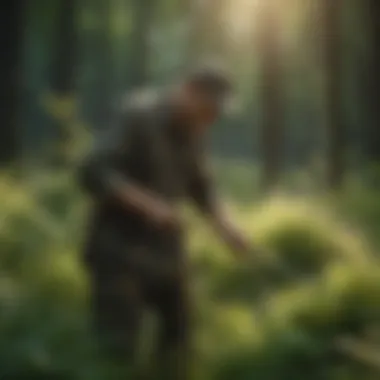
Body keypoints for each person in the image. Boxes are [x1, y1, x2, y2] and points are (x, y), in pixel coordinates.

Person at [78, 63, 251, 379]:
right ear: (186, 91)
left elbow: (203, 188)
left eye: (217, 113)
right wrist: (147, 205)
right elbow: (93, 171)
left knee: (178, 347)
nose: (211, 119)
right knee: (117, 351)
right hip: (119, 253)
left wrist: (226, 226)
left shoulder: (195, 133)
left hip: (167, 256)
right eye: (208, 108)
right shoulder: (137, 116)